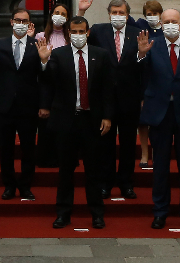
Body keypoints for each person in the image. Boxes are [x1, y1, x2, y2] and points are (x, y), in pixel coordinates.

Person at [38, 16, 113, 230]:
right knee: (65, 171)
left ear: (88, 33)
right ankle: (63, 213)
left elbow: (108, 89)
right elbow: (48, 82)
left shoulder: (101, 55)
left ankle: (97, 214)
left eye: (82, 32)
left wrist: (107, 116)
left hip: (92, 121)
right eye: (74, 32)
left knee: (93, 171)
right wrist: (44, 62)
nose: (78, 36)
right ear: (68, 33)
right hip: (66, 121)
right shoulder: (58, 55)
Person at [136, 9, 180, 229]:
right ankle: (160, 211)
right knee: (161, 166)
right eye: (166, 21)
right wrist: (141, 56)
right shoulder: (152, 44)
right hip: (160, 114)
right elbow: (140, 76)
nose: (169, 25)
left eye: (173, 21)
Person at [0, 9, 42, 201]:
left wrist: (44, 60)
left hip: (28, 105)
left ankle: (26, 186)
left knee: (28, 148)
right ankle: (9, 185)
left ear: (29, 24)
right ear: (12, 22)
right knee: (6, 149)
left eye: (25, 21)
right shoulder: (0, 44)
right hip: (4, 106)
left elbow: (44, 74)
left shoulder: (36, 45)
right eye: (18, 20)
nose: (21, 23)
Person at [86, 0, 141, 200]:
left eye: (121, 13)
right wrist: (82, 12)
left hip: (129, 98)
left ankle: (126, 183)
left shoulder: (137, 34)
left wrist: (142, 55)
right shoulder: (99, 31)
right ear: (108, 13)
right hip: (105, 98)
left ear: (128, 15)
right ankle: (105, 183)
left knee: (128, 144)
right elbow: (80, 40)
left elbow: (144, 67)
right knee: (105, 144)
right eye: (114, 12)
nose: (117, 16)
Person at [34, 3, 71, 169]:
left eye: (63, 14)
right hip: (46, 83)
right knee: (46, 125)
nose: (59, 16)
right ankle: (46, 159)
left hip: (66, 86)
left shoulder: (70, 36)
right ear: (51, 15)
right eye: (57, 12)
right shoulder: (41, 36)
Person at [137, 0, 165, 169]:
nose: (152, 16)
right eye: (149, 14)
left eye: (155, 13)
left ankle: (156, 153)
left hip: (160, 79)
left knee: (158, 120)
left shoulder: (165, 31)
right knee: (142, 120)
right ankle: (144, 154)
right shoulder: (141, 28)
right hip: (143, 77)